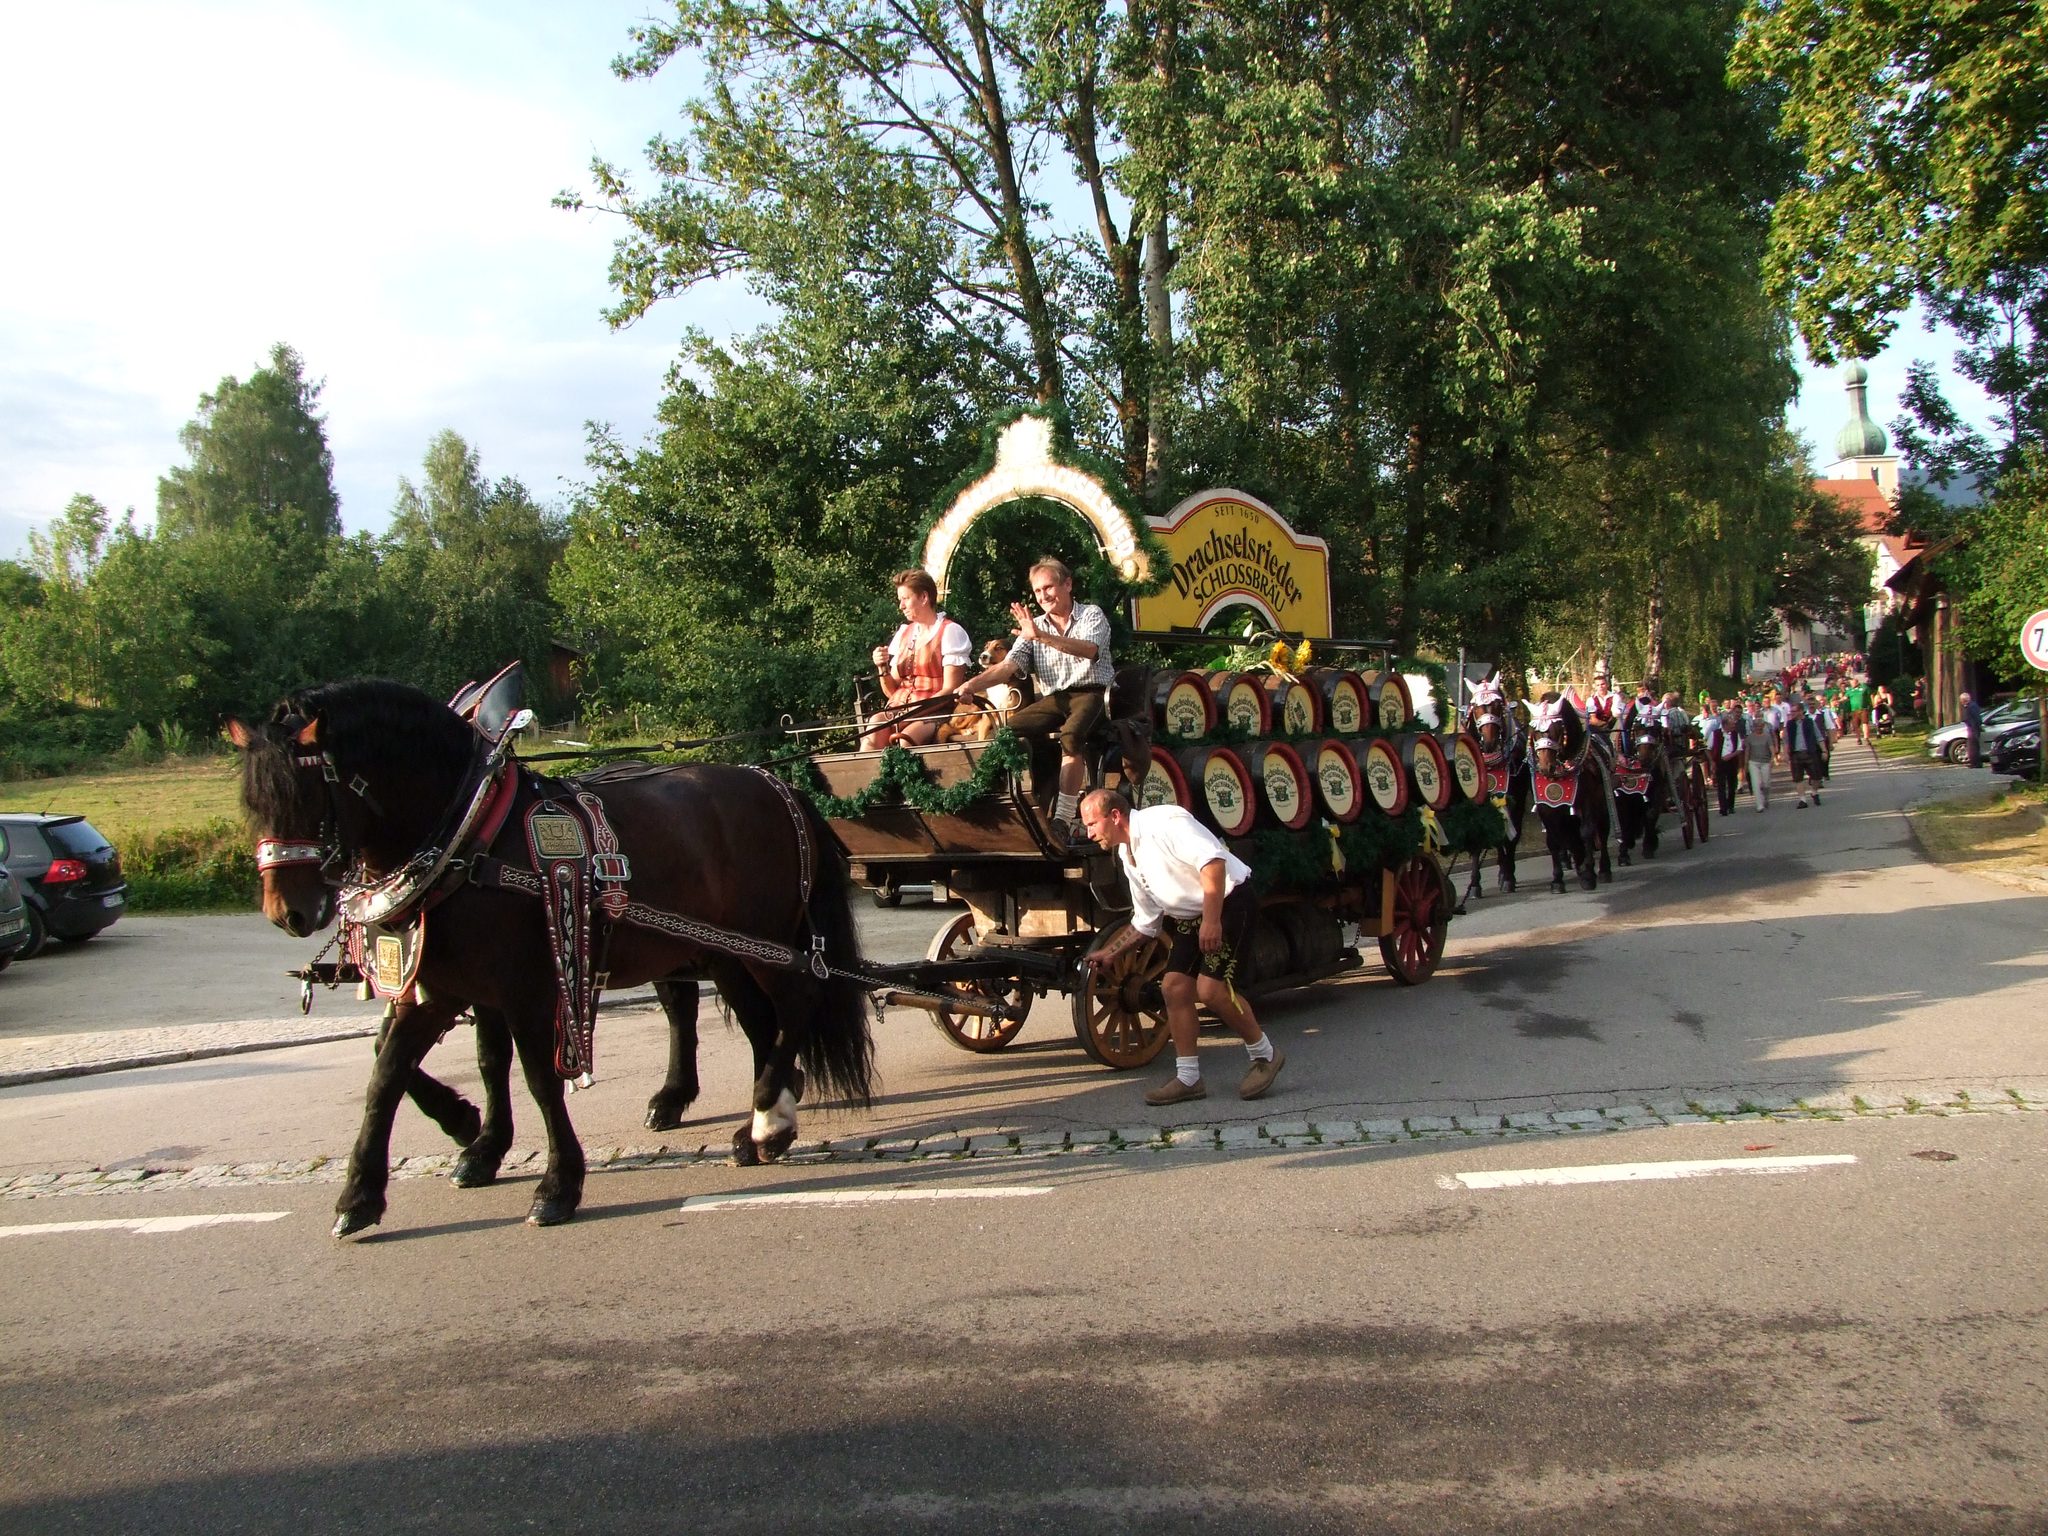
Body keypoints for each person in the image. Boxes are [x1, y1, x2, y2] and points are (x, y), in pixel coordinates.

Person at [1077, 789, 1284, 1105]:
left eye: (1092, 824)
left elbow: (1212, 862)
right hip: (1194, 915)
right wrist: (1111, 953)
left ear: (1115, 816)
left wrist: (1212, 921)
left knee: (1211, 990)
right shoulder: (1126, 853)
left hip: (1228, 904)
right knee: (1173, 988)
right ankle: (1189, 1079)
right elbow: (1146, 920)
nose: (1089, 833)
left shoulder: (1165, 823)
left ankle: (1265, 1055)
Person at [956, 557, 1113, 843]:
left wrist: (1040, 636)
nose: (1043, 596)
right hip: (1056, 698)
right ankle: (1013, 807)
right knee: (1008, 732)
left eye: (1049, 587)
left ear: (1068, 584)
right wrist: (971, 683)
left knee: (1073, 734)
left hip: (1092, 692)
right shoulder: (1033, 627)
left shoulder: (1091, 614)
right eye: (1038, 591)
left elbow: (1089, 650)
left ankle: (1062, 820)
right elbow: (1008, 667)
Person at [864, 569, 973, 748]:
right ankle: (865, 775)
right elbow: (891, 691)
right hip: (899, 712)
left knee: (905, 739)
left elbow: (951, 688)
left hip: (936, 712)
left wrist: (915, 710)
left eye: (905, 599)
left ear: (924, 597)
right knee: (874, 726)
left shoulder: (950, 631)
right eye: (900, 600)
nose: (901, 606)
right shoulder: (903, 634)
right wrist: (881, 667)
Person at [1783, 695, 1828, 807]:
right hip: (1796, 754)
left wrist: (1824, 751)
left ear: (1801, 711)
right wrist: (1786, 753)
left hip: (1809, 752)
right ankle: (1803, 800)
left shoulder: (1809, 722)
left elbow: (1819, 737)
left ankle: (1814, 792)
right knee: (1798, 778)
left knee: (1816, 777)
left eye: (1794, 711)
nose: (1792, 713)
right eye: (1791, 711)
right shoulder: (1789, 725)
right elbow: (1786, 740)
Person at [1705, 703, 1745, 816]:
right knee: (1721, 786)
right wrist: (1712, 761)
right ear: (1725, 725)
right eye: (1732, 725)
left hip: (1731, 762)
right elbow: (1707, 748)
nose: (1734, 727)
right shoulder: (1715, 734)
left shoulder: (1735, 734)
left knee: (1732, 785)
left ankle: (1731, 805)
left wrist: (1730, 756)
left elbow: (1739, 749)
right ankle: (1723, 808)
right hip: (1719, 762)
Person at [1744, 698, 1778, 811]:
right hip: (1753, 762)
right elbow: (1747, 750)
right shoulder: (1750, 738)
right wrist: (1746, 764)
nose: (1758, 728)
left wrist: (1773, 758)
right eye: (1756, 727)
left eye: (1760, 726)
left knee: (1766, 784)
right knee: (1756, 784)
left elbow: (1771, 747)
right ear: (1753, 727)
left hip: (1765, 761)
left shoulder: (1766, 736)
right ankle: (1759, 805)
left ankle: (1766, 798)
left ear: (1763, 726)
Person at [1845, 675, 1871, 746]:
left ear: (1857, 682)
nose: (1852, 684)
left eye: (1853, 683)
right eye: (1851, 683)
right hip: (1854, 710)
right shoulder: (1849, 690)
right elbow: (1845, 697)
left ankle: (1866, 738)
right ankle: (1858, 739)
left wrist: (1871, 704)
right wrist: (1838, 701)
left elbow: (1870, 695)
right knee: (1856, 725)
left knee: (1865, 723)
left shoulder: (1864, 687)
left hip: (1863, 708)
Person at [1961, 691, 1982, 768]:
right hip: (1974, 728)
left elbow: (1976, 718)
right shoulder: (1972, 705)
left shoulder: (1971, 707)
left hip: (1973, 728)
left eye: (1961, 701)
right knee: (1973, 746)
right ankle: (1975, 762)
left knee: (1973, 746)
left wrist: (1971, 725)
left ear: (1964, 700)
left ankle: (1975, 763)